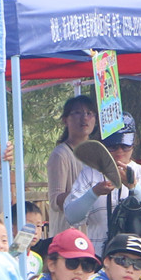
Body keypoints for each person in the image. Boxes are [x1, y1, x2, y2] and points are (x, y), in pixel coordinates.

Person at [64, 113, 141, 255]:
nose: (119, 151)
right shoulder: (89, 175)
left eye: (125, 145)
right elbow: (71, 216)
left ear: (134, 142)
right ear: (103, 144)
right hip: (99, 256)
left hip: (138, 259)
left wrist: (134, 188)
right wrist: (94, 193)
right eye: (113, 146)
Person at [46, 94, 98, 235]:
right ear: (65, 120)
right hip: (68, 234)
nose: (85, 118)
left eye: (89, 113)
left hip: (93, 233)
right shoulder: (61, 155)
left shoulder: (99, 153)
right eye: (77, 113)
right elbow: (55, 201)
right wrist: (90, 194)